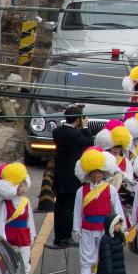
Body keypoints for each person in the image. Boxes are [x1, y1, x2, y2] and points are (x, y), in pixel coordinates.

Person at [73, 146, 123, 274]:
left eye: (99, 172)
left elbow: (118, 209)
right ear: (89, 174)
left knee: (104, 256)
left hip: (105, 229)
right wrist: (76, 229)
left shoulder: (111, 190)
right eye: (93, 172)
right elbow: (77, 211)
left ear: (103, 173)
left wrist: (120, 227)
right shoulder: (81, 191)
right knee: (86, 258)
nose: (96, 176)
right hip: (87, 228)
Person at [52, 104, 94, 248]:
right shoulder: (76, 135)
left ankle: (58, 237)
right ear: (78, 120)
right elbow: (89, 142)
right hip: (71, 176)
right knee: (69, 207)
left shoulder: (57, 131)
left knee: (59, 206)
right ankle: (66, 236)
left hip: (59, 174)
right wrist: (86, 127)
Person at [0, 162, 34, 274]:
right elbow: (1, 223)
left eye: (24, 185)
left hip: (24, 238)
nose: (23, 188)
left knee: (26, 266)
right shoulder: (4, 204)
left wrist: (32, 236)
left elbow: (30, 220)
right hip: (10, 238)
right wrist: (3, 240)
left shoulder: (26, 202)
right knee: (9, 265)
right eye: (20, 186)